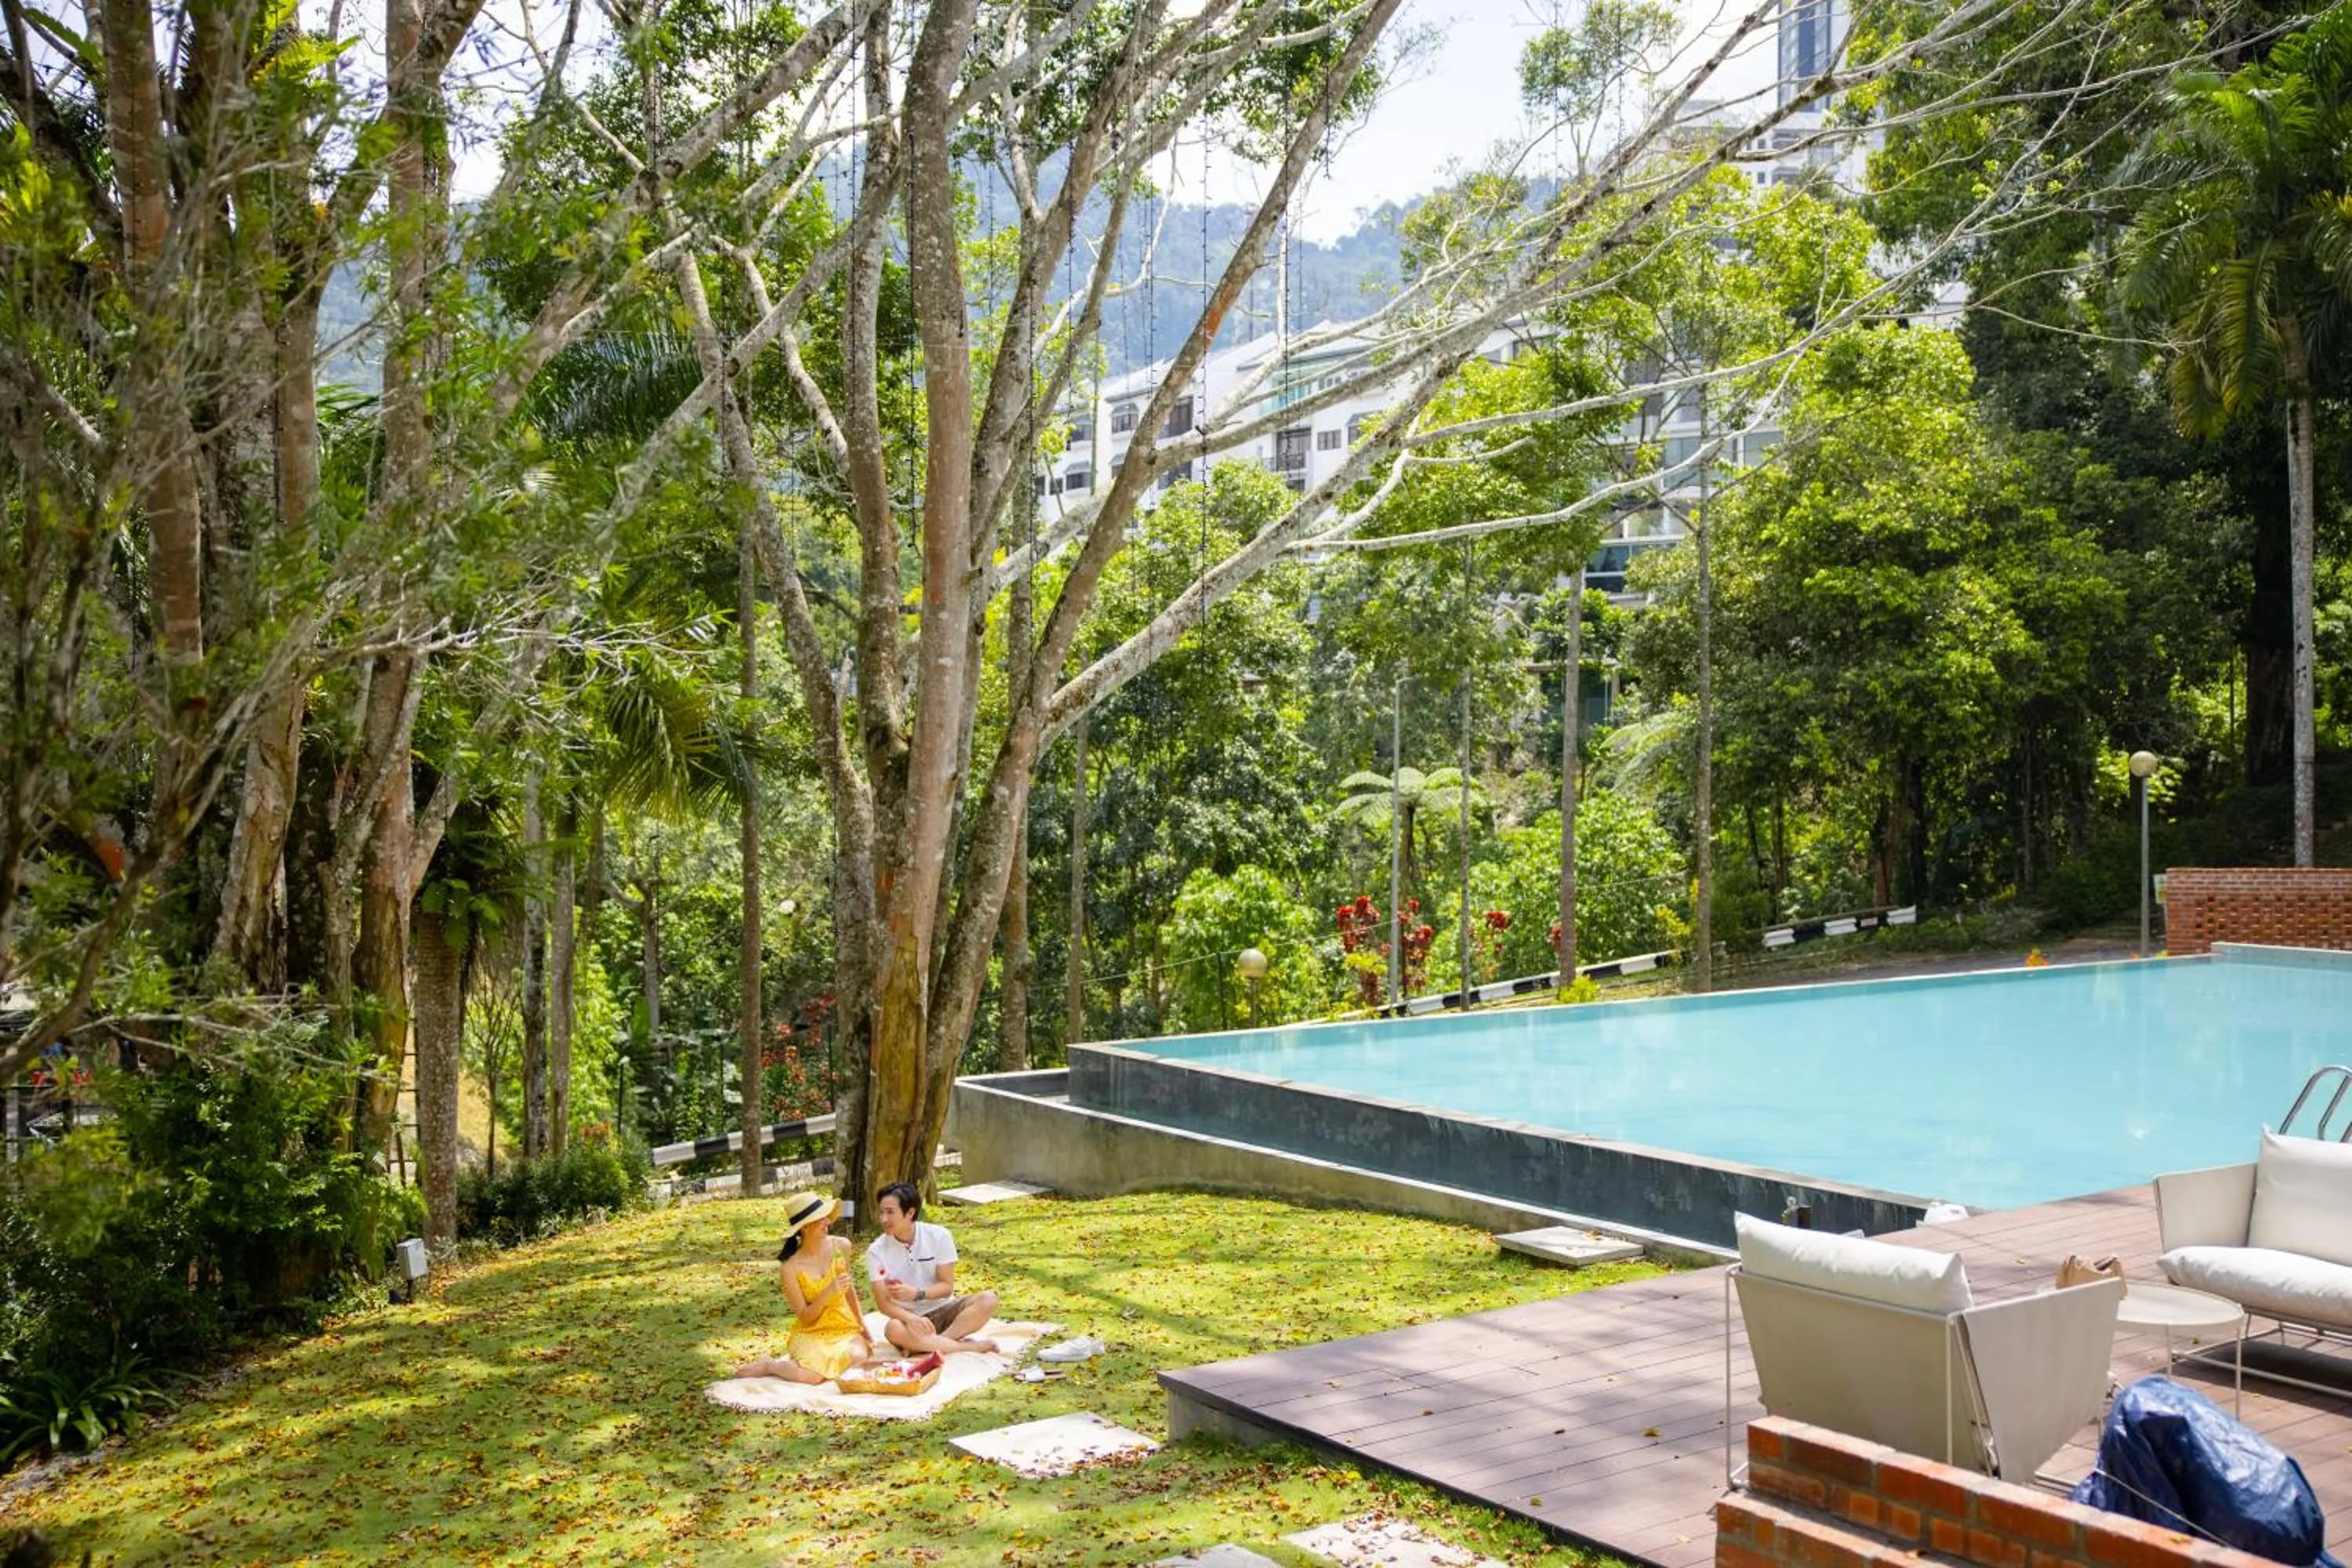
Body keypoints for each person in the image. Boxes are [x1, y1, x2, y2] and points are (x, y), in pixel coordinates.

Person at [733, 1191, 872, 1384]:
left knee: (858, 1359)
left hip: (843, 1327)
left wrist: (862, 1326)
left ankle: (825, 1359)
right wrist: (829, 1292)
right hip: (811, 1332)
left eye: (826, 1216)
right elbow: (805, 1317)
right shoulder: (790, 1268)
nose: (828, 1222)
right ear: (805, 1227)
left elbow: (849, 1290)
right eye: (821, 1219)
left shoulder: (841, 1246)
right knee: (811, 1377)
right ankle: (770, 1365)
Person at [864, 1181, 998, 1355]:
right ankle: (966, 1347)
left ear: (910, 1212)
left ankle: (934, 1345)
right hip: (909, 1321)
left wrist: (917, 1293)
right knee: (892, 1328)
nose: (883, 1219)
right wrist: (911, 1318)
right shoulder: (876, 1251)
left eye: (890, 1212)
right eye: (881, 1212)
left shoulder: (939, 1236)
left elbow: (946, 1288)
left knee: (988, 1299)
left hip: (945, 1311)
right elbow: (883, 1304)